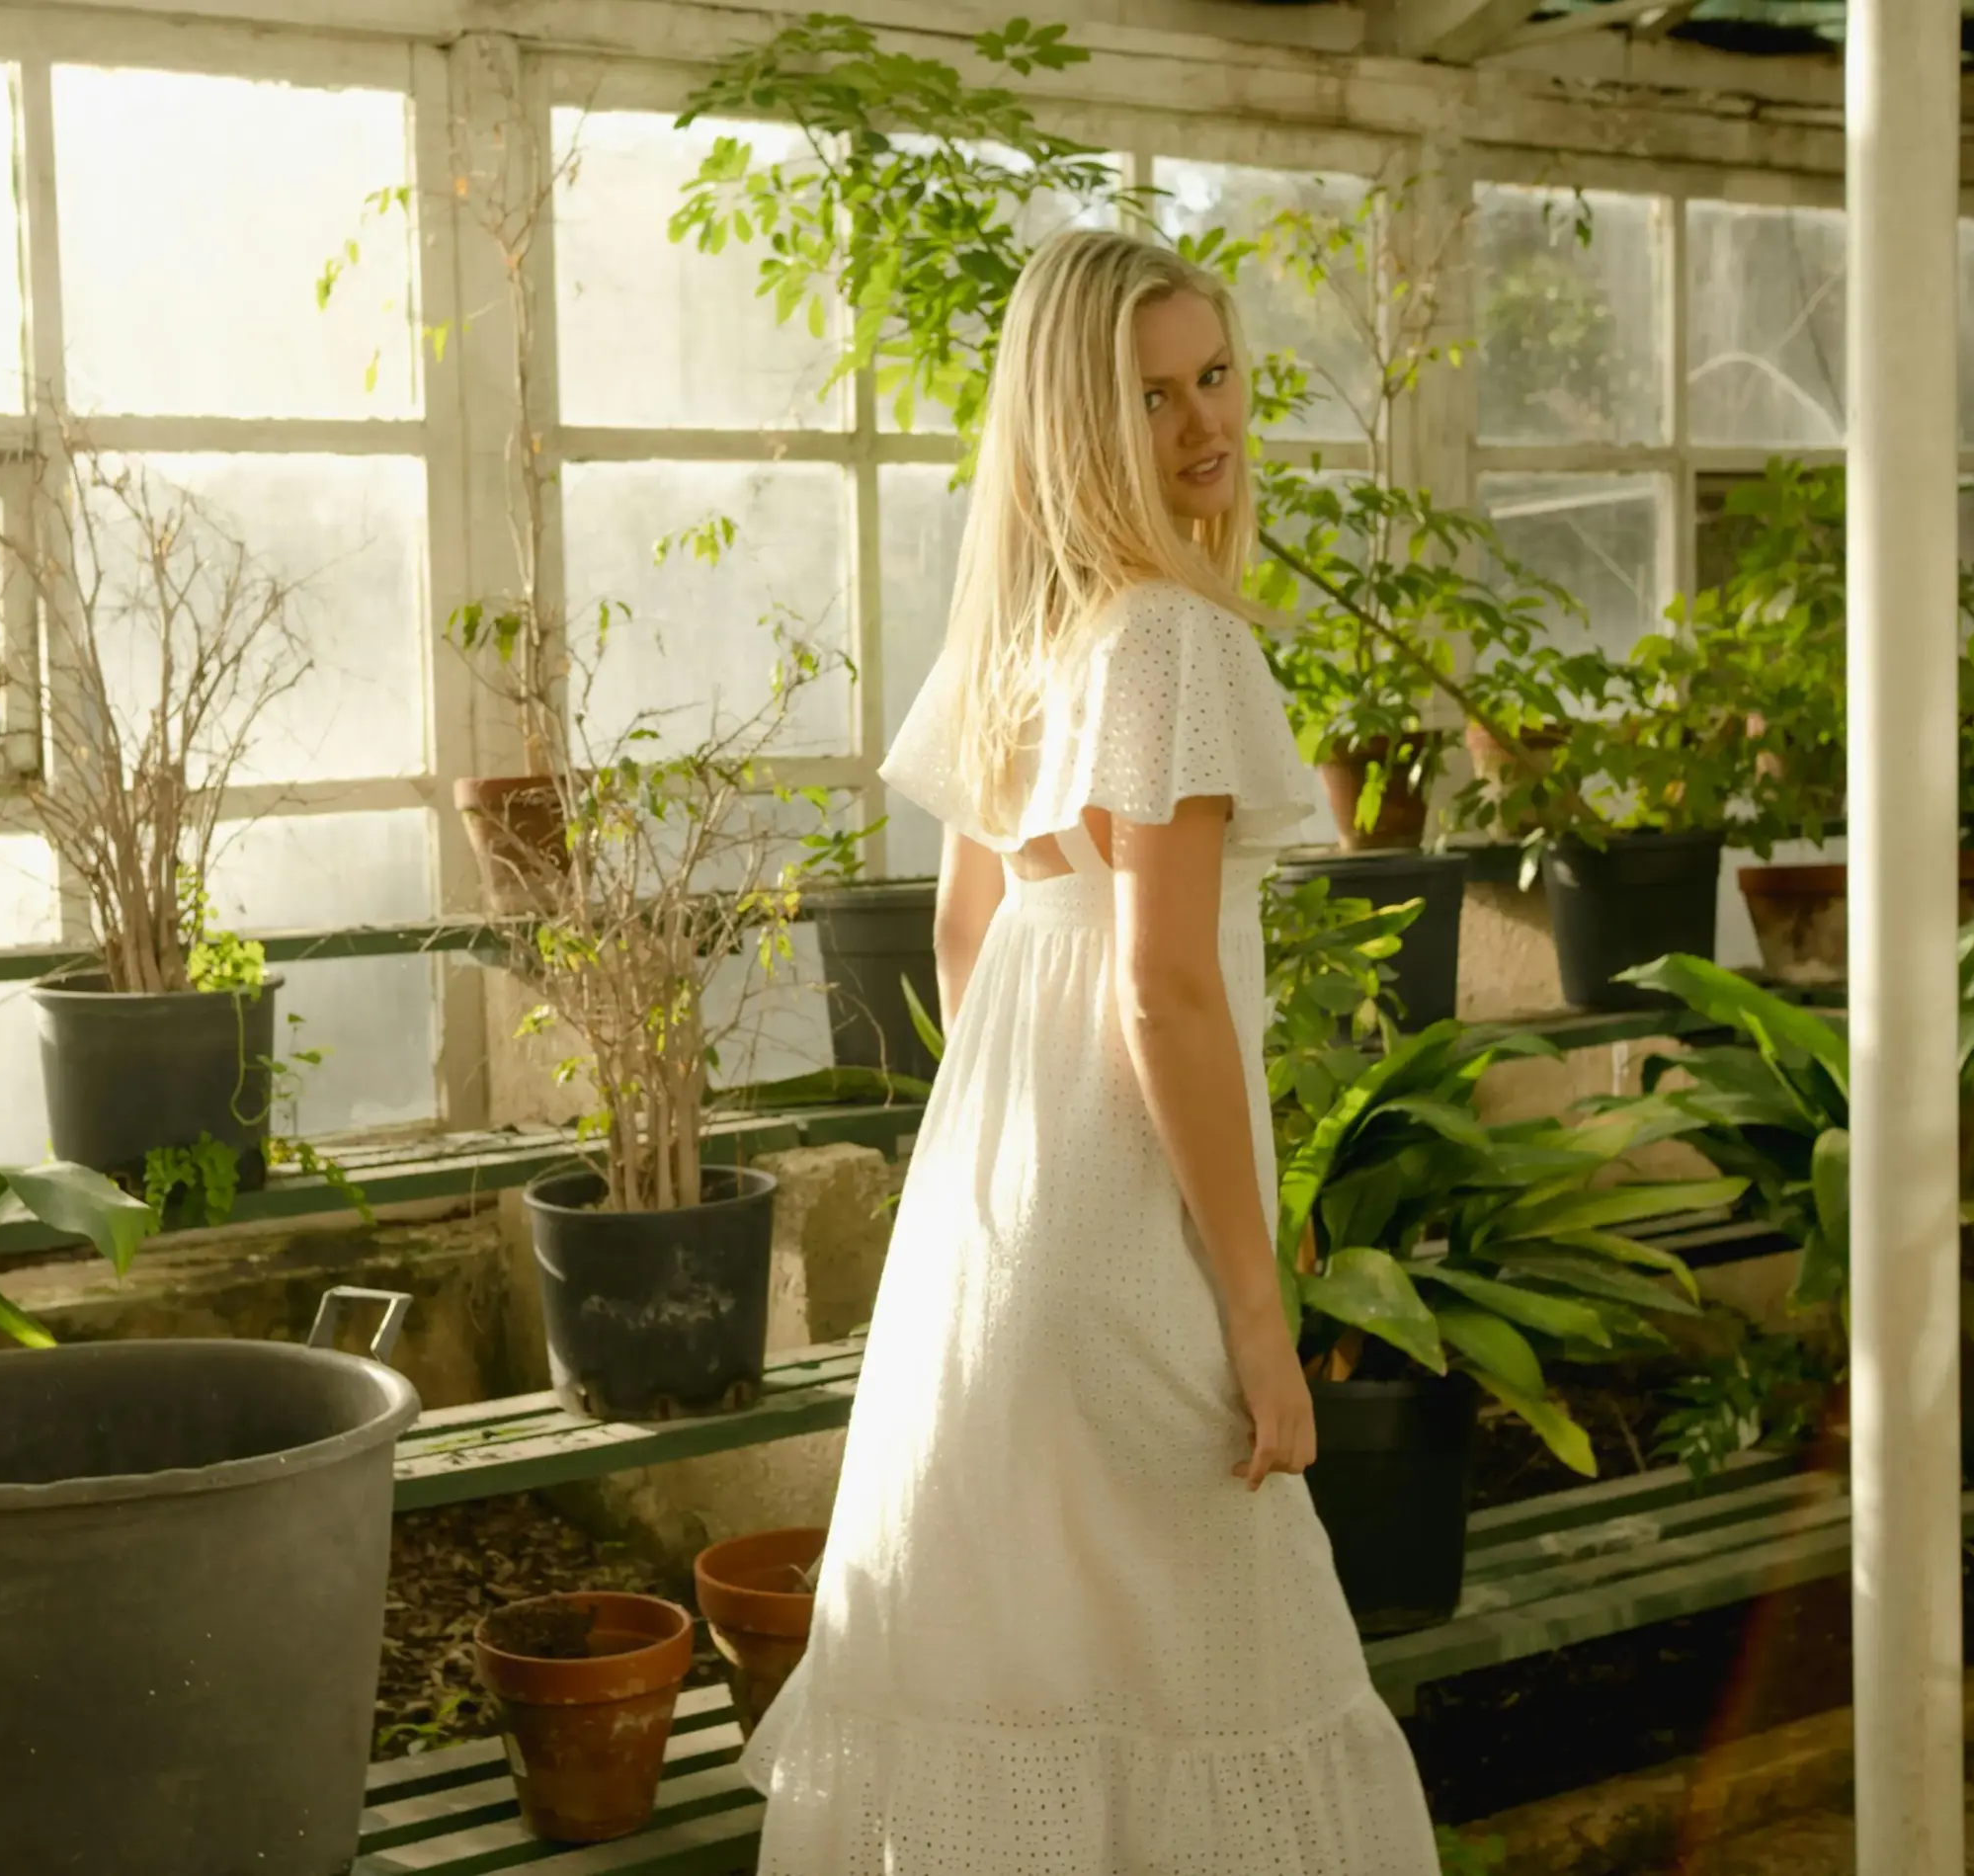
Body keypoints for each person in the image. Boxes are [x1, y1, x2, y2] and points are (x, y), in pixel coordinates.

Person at [739, 227, 1441, 1874]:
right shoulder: (1173, 641)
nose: (1206, 423)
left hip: (989, 1254)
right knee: (1226, 1685)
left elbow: (965, 940)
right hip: (1126, 1260)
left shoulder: (1027, 637)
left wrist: (1003, 1206)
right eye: (1150, 396)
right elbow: (1167, 990)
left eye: (1215, 376)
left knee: (1026, 1693)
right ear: (1074, 422)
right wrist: (1262, 1319)